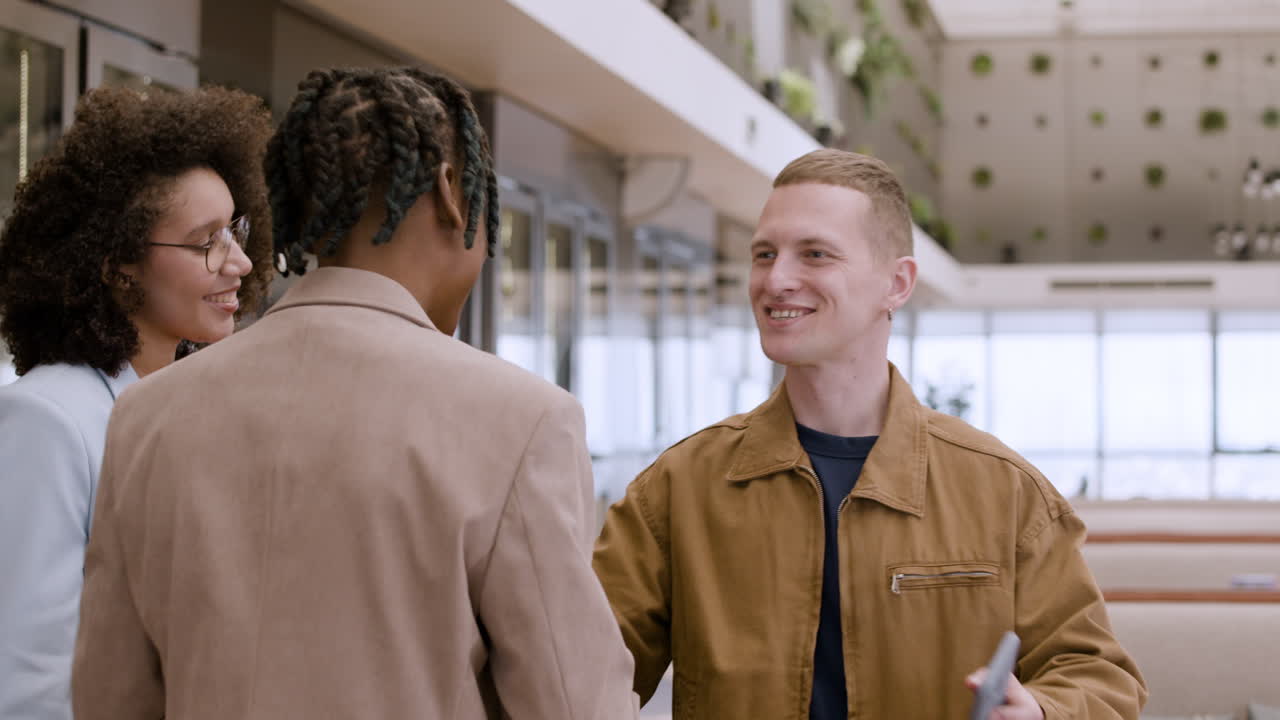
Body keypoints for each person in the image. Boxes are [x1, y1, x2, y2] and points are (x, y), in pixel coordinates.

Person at [71, 67, 638, 720]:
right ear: (454, 194)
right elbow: (575, 705)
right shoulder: (525, 421)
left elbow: (109, 698)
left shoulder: (146, 416)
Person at [592, 149, 1148, 719]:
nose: (776, 279)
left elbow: (1099, 678)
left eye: (815, 254)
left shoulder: (1005, 492)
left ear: (897, 282)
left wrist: (1044, 712)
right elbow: (576, 676)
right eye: (764, 254)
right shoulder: (677, 490)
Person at [0, 85, 272, 720]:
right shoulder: (47, 421)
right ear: (118, 263)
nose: (240, 261)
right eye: (207, 240)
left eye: (236, 229)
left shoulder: (185, 406)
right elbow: (27, 679)